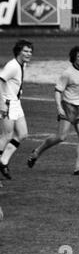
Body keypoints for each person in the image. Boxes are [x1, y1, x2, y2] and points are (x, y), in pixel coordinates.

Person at [27, 46, 79, 175]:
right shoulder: (67, 73)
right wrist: (59, 107)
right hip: (68, 107)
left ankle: (78, 168)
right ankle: (36, 152)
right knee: (61, 137)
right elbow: (58, 91)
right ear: (74, 57)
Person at [0, 39, 33, 180]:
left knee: (23, 134)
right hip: (7, 103)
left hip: (16, 103)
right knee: (6, 135)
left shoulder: (22, 65)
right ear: (18, 51)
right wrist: (1, 103)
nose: (29, 54)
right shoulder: (12, 66)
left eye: (30, 51)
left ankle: (3, 161)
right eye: (25, 51)